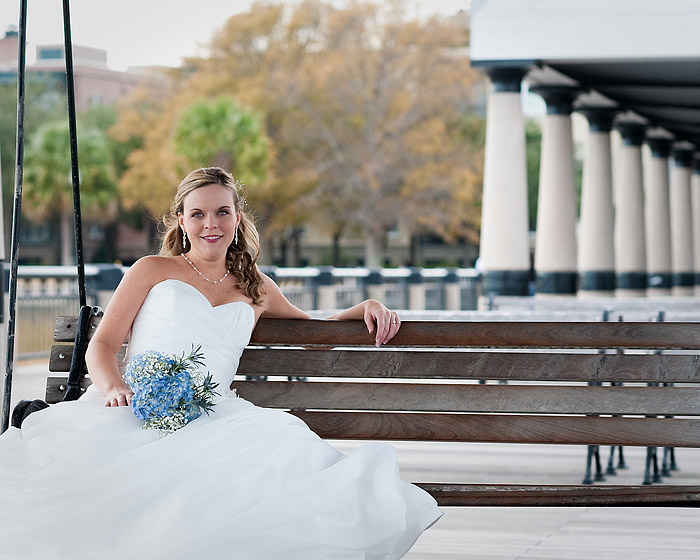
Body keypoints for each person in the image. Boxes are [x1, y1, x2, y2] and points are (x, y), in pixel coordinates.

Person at [0, 167, 442, 559]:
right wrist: (115, 387)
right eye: (198, 214)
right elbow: (103, 345)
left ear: (237, 217)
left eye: (222, 212)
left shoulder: (257, 287)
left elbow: (313, 333)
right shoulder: (152, 270)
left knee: (277, 470)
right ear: (182, 220)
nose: (211, 224)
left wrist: (363, 306)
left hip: (216, 416)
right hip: (133, 408)